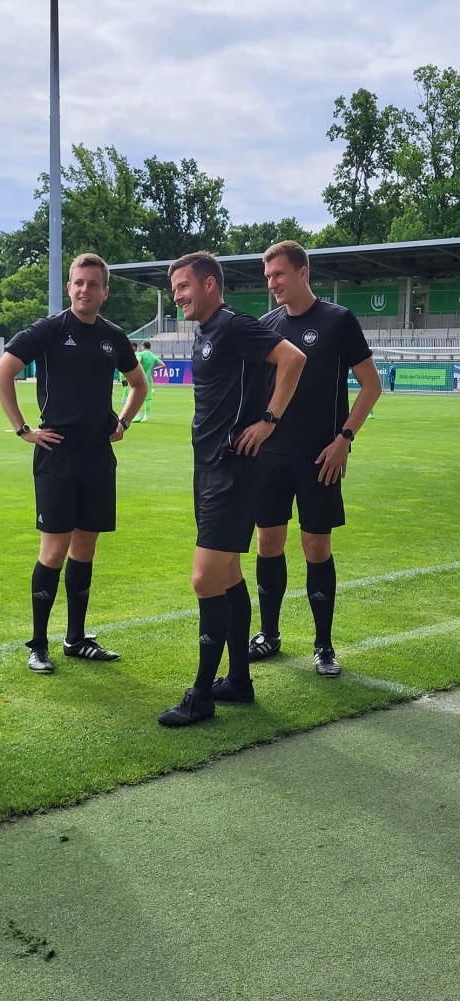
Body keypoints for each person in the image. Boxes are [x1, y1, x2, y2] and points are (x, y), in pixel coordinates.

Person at [158, 252, 306, 728]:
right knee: (226, 577)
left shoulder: (233, 325)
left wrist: (269, 421)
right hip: (208, 469)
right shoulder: (205, 332)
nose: (177, 297)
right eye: (175, 289)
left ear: (209, 284)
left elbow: (293, 358)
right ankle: (239, 680)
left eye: (183, 287)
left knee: (204, 580)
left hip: (233, 471)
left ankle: (201, 695)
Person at [0, 253, 147, 674]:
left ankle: (76, 639)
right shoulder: (50, 329)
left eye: (93, 284)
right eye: (78, 282)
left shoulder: (113, 336)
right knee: (54, 549)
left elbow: (138, 383)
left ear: (105, 291)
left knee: (85, 549)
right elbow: (2, 373)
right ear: (69, 287)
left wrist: (123, 421)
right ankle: (38, 644)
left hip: (97, 455)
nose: (84, 290)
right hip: (57, 454)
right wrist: (24, 429)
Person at [248, 240, 382, 677]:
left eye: (279, 274)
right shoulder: (267, 325)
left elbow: (371, 385)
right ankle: (269, 634)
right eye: (268, 277)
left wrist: (345, 438)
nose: (272, 284)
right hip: (270, 456)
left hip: (320, 457)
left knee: (315, 547)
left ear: (303, 273)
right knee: (268, 544)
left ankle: (324, 645)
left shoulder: (338, 320)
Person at [132, 341, 166, 421]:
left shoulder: (140, 354)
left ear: (143, 346)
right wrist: (154, 369)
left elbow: (137, 362)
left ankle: (137, 416)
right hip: (149, 379)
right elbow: (163, 365)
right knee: (148, 399)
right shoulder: (153, 356)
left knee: (136, 397)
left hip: (139, 379)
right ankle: (146, 417)